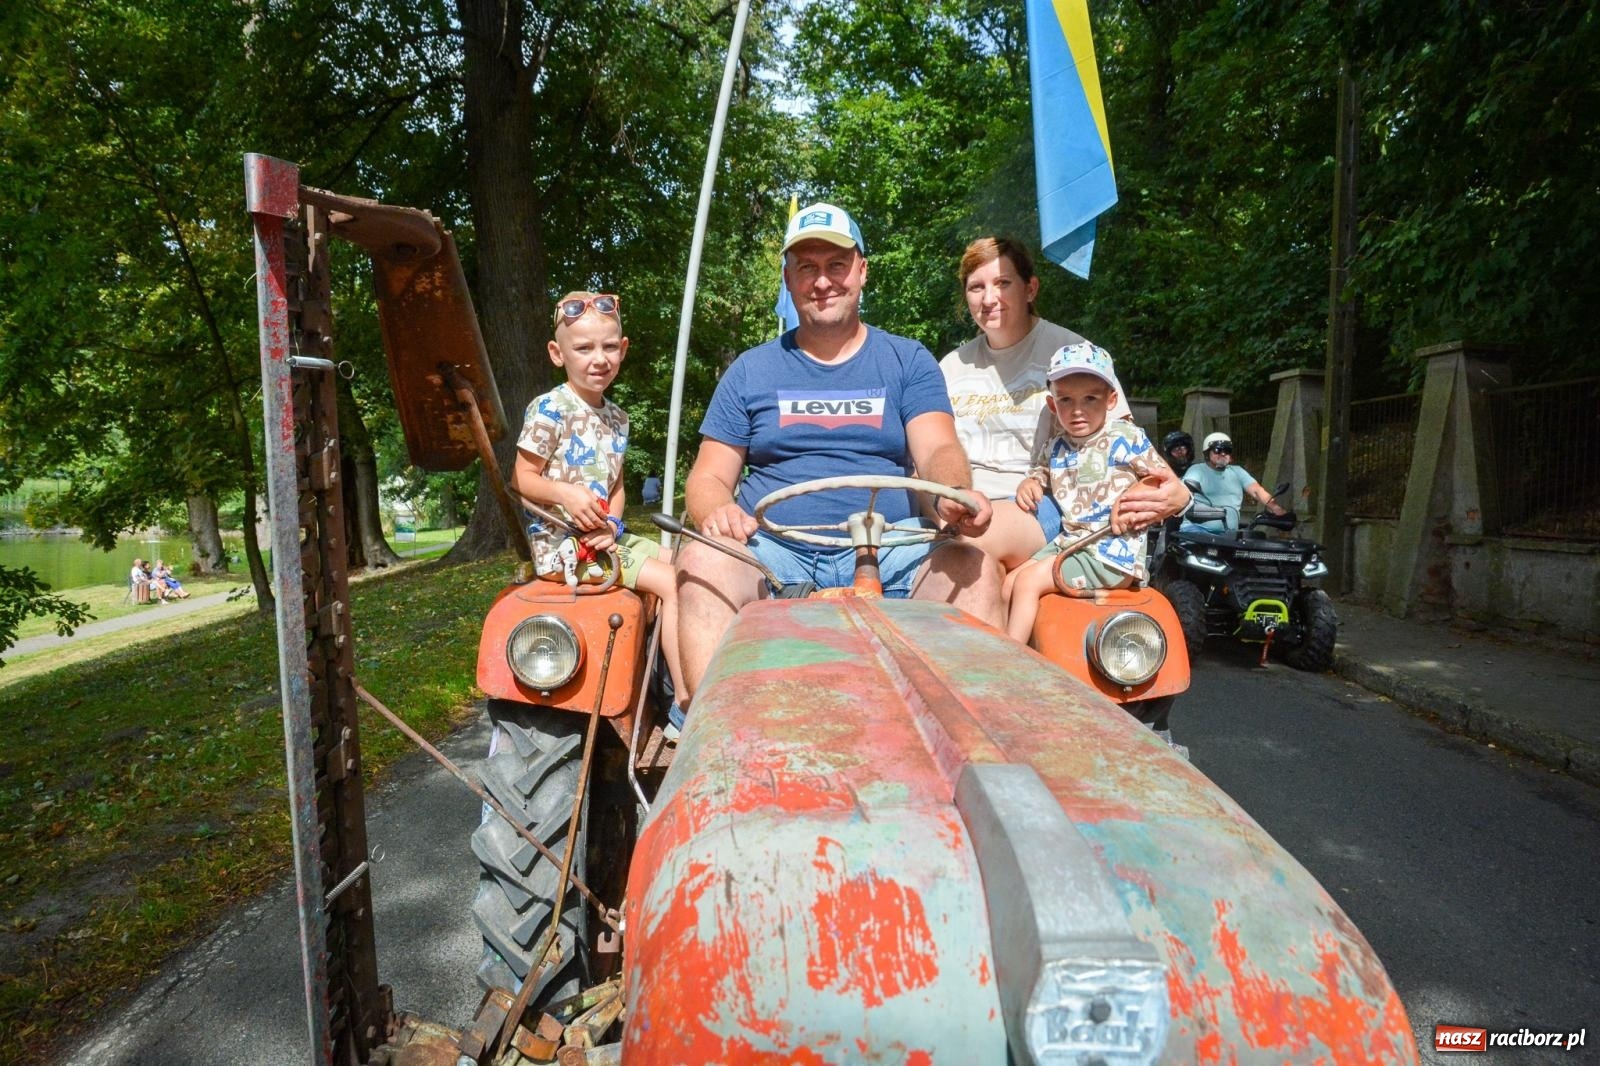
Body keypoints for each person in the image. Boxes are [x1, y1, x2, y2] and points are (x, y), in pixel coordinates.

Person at [675, 202, 1002, 703]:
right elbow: (707, 478)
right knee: (701, 562)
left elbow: (937, 447)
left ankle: (974, 749)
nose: (822, 281)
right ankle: (718, 746)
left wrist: (953, 493)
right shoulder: (750, 370)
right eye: (807, 268)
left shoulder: (906, 360)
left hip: (894, 548)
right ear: (788, 279)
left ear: (862, 271)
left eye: (836, 265)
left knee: (975, 569)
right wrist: (716, 512)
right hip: (774, 553)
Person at [939, 237, 1187, 572]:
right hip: (959, 505)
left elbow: (1124, 441)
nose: (989, 298)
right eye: (976, 287)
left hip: (1037, 502)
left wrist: (1174, 493)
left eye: (1002, 283)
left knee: (966, 548)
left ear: (1031, 289)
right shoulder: (950, 367)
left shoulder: (1074, 353)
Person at [511, 290, 686, 702]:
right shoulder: (549, 408)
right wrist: (564, 494)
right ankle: (685, 700)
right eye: (584, 348)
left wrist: (613, 522)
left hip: (603, 539)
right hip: (565, 550)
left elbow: (617, 486)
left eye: (609, 347)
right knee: (673, 583)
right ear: (558, 353)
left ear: (622, 350)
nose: (599, 358)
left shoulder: (618, 417)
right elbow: (520, 480)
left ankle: (653, 670)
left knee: (687, 564)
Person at [1004, 342, 1173, 644]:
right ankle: (1013, 646)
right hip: (1070, 543)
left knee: (1028, 582)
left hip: (1110, 552)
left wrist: (1137, 491)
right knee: (1009, 583)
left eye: (1090, 398)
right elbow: (1041, 472)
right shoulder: (1056, 445)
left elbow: (1161, 480)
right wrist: (1031, 483)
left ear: (1111, 400)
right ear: (1052, 404)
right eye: (1066, 400)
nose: (1077, 410)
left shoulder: (1126, 437)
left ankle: (1007, 667)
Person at [1182, 431, 1288, 532]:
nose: (1223, 454)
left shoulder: (1237, 471)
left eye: (1227, 450)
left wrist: (1275, 507)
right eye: (1218, 450)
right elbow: (1183, 493)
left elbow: (1256, 490)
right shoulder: (1197, 470)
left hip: (1229, 534)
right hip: (1197, 530)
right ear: (1207, 453)